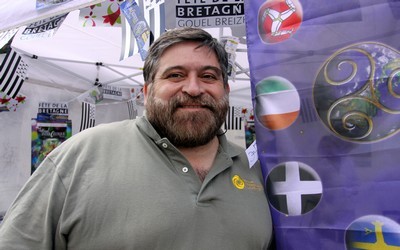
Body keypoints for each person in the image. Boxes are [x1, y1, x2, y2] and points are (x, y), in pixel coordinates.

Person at [0, 27, 273, 249]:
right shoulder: (81, 155)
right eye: (175, 75)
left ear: (224, 89)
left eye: (208, 76)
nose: (193, 88)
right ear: (146, 91)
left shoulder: (257, 171)